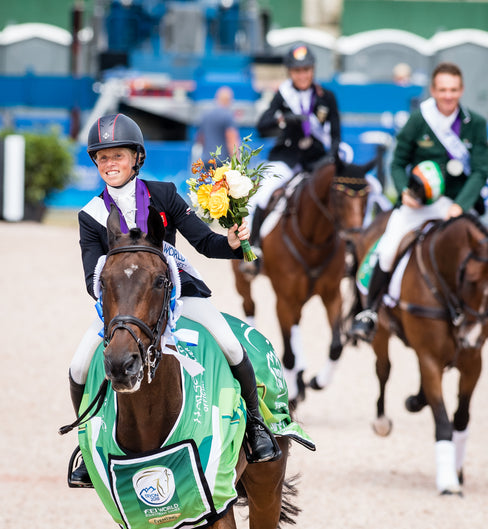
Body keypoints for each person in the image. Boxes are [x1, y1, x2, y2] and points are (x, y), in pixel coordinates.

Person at [68, 113, 281, 487]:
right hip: (123, 306)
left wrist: (232, 243)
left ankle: (257, 428)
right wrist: (118, 296)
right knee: (79, 366)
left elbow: (204, 243)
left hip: (177, 293)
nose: (110, 164)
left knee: (229, 345)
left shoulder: (163, 194)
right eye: (102, 158)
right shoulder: (91, 215)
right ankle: (87, 448)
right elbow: (91, 276)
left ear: (136, 157)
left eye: (117, 156)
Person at [351, 62, 488, 343]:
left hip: (457, 203)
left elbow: (481, 170)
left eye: (453, 90)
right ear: (433, 90)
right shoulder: (418, 120)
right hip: (419, 203)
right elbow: (398, 162)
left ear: (461, 90)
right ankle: (370, 312)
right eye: (442, 90)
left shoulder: (476, 124)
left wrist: (460, 205)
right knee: (388, 248)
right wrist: (403, 193)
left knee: (486, 251)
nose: (448, 96)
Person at [246, 43, 342, 253]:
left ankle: (346, 246)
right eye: (297, 71)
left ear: (312, 70)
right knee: (262, 194)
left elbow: (335, 135)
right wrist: (283, 119)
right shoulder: (283, 95)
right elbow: (262, 125)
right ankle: (254, 247)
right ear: (290, 72)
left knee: (345, 192)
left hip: (317, 159)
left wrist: (332, 158)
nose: (302, 75)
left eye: (306, 70)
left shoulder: (327, 97)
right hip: (287, 158)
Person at [196, 85, 240, 166]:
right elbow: (232, 141)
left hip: (206, 161)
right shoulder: (227, 116)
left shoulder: (205, 115)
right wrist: (237, 163)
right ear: (228, 100)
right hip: (222, 162)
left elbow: (200, 139)